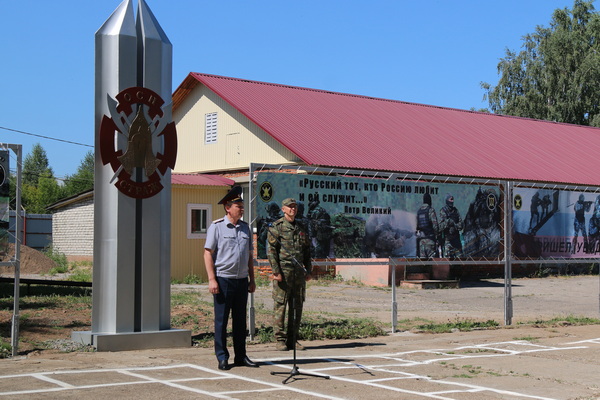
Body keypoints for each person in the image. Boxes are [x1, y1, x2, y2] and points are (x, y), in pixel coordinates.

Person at [204, 186, 258, 371]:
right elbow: (208, 254)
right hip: (223, 279)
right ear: (228, 207)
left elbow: (250, 256)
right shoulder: (217, 227)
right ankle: (222, 357)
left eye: (242, 206)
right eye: (238, 206)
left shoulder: (245, 228)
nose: (241, 209)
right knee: (221, 320)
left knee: (240, 321)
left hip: (241, 280)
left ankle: (241, 356)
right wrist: (212, 279)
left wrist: (252, 279)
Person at [268, 198, 312, 351]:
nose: (293, 209)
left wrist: (308, 270)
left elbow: (307, 251)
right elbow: (272, 252)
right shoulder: (277, 227)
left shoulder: (301, 226)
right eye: (290, 207)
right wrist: (276, 272)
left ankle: (293, 339)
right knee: (281, 305)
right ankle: (280, 339)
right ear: (283, 209)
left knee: (297, 306)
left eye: (295, 207)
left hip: (298, 273)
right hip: (284, 272)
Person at [439, 193, 464, 259]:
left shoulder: (456, 211)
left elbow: (461, 225)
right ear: (447, 200)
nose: (452, 201)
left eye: (453, 199)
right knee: (446, 262)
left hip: (456, 240)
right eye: (450, 199)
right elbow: (440, 226)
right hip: (448, 241)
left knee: (461, 260)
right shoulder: (443, 211)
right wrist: (448, 222)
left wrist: (455, 225)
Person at [416, 193, 440, 258]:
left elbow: (417, 227)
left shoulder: (419, 211)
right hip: (430, 241)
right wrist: (437, 237)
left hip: (421, 243)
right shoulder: (430, 210)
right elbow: (435, 226)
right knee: (433, 265)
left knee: (423, 265)